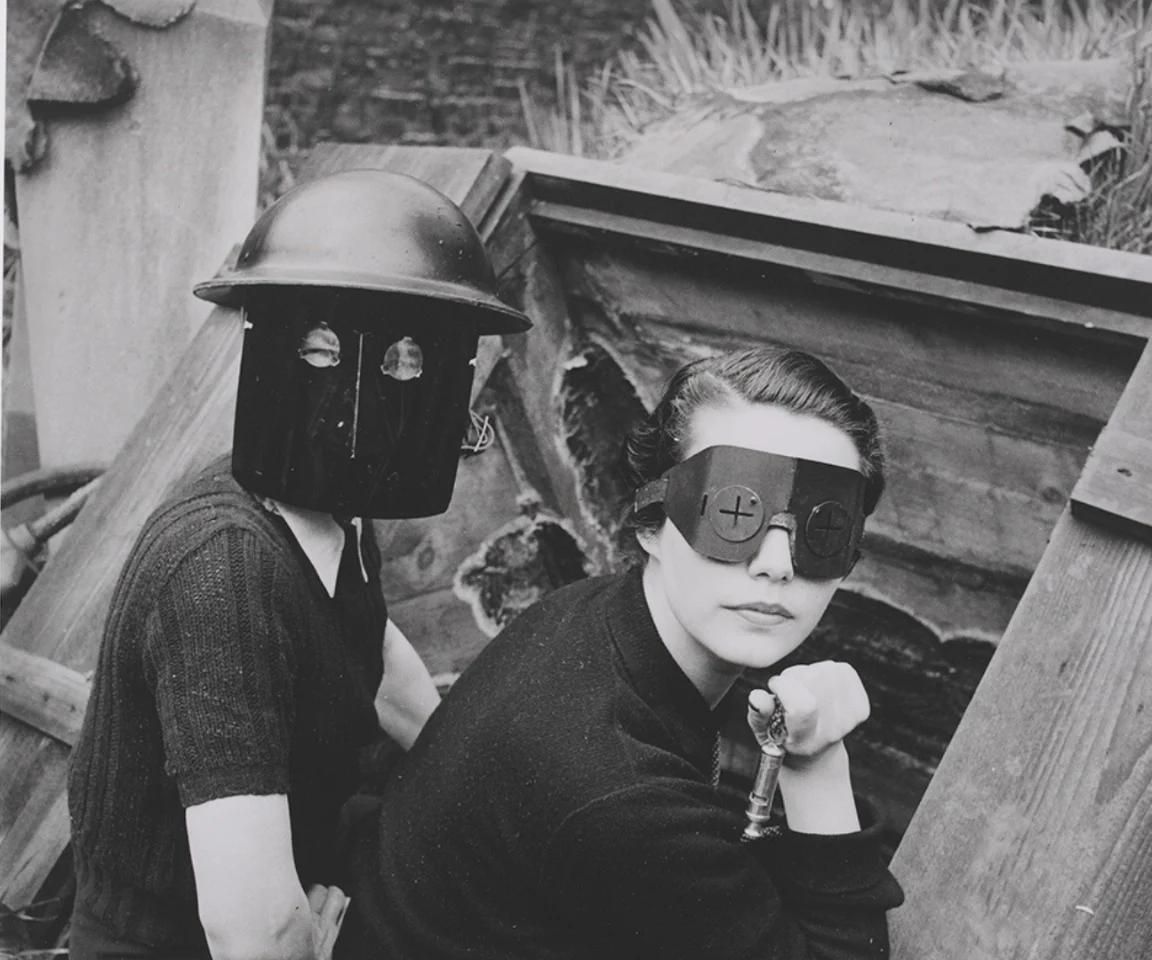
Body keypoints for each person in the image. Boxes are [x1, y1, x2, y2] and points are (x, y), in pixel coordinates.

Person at [66, 169, 531, 960]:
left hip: (302, 886)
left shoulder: (333, 509)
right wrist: (306, 942)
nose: (390, 392)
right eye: (324, 353)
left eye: (417, 366)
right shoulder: (225, 570)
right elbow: (248, 927)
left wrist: (497, 802)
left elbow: (373, 653)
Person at [338, 345, 905, 960]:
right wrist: (815, 761)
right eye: (734, 513)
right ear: (650, 523)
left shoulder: (596, 614)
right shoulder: (623, 798)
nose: (775, 564)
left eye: (822, 531)